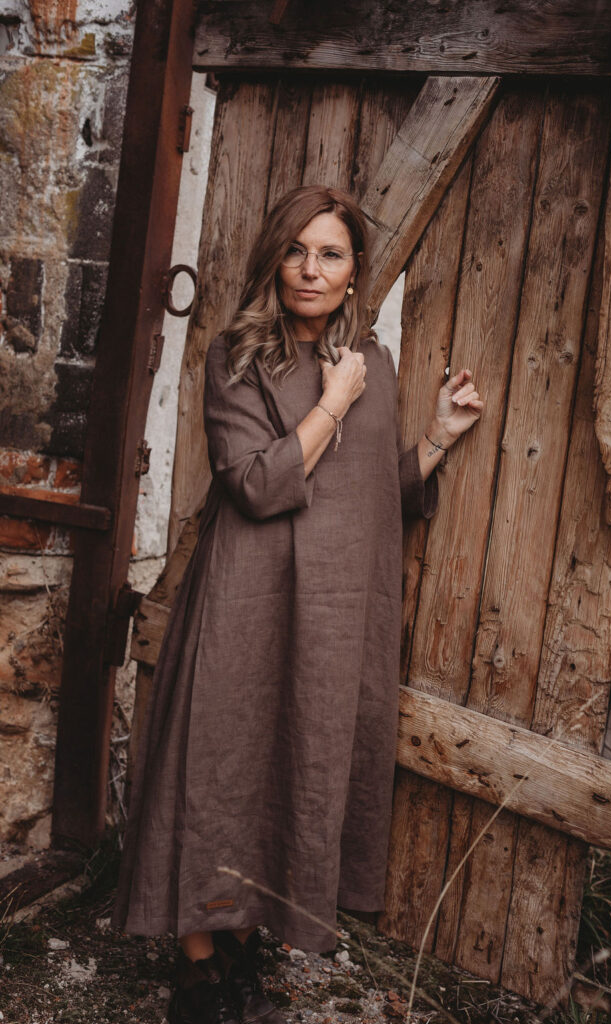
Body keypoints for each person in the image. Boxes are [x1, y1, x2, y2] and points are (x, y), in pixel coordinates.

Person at [112, 184, 483, 1024]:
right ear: (274, 260)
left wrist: (437, 435)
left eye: (330, 254)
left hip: (331, 615)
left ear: (354, 272)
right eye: (296, 251)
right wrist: (332, 400)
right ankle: (198, 971)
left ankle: (242, 950)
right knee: (222, 765)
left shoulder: (371, 363)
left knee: (295, 769)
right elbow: (254, 483)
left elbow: (368, 492)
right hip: (246, 600)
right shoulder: (236, 357)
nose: (310, 269)